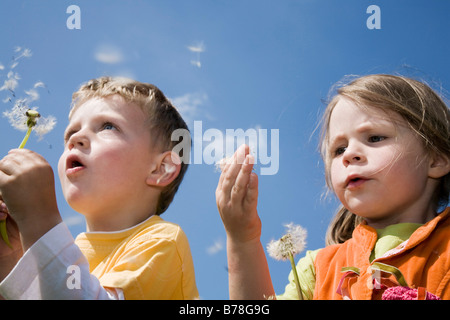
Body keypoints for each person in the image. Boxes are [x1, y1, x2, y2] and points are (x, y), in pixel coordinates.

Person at [216, 74, 450, 300]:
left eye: (375, 138)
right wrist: (242, 239)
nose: (350, 154)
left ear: (436, 160)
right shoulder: (318, 269)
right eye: (339, 150)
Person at [0, 77, 198, 300]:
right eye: (70, 133)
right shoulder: (73, 254)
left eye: (108, 126)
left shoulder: (161, 241)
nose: (76, 138)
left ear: (160, 169)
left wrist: (39, 218)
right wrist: (10, 259)